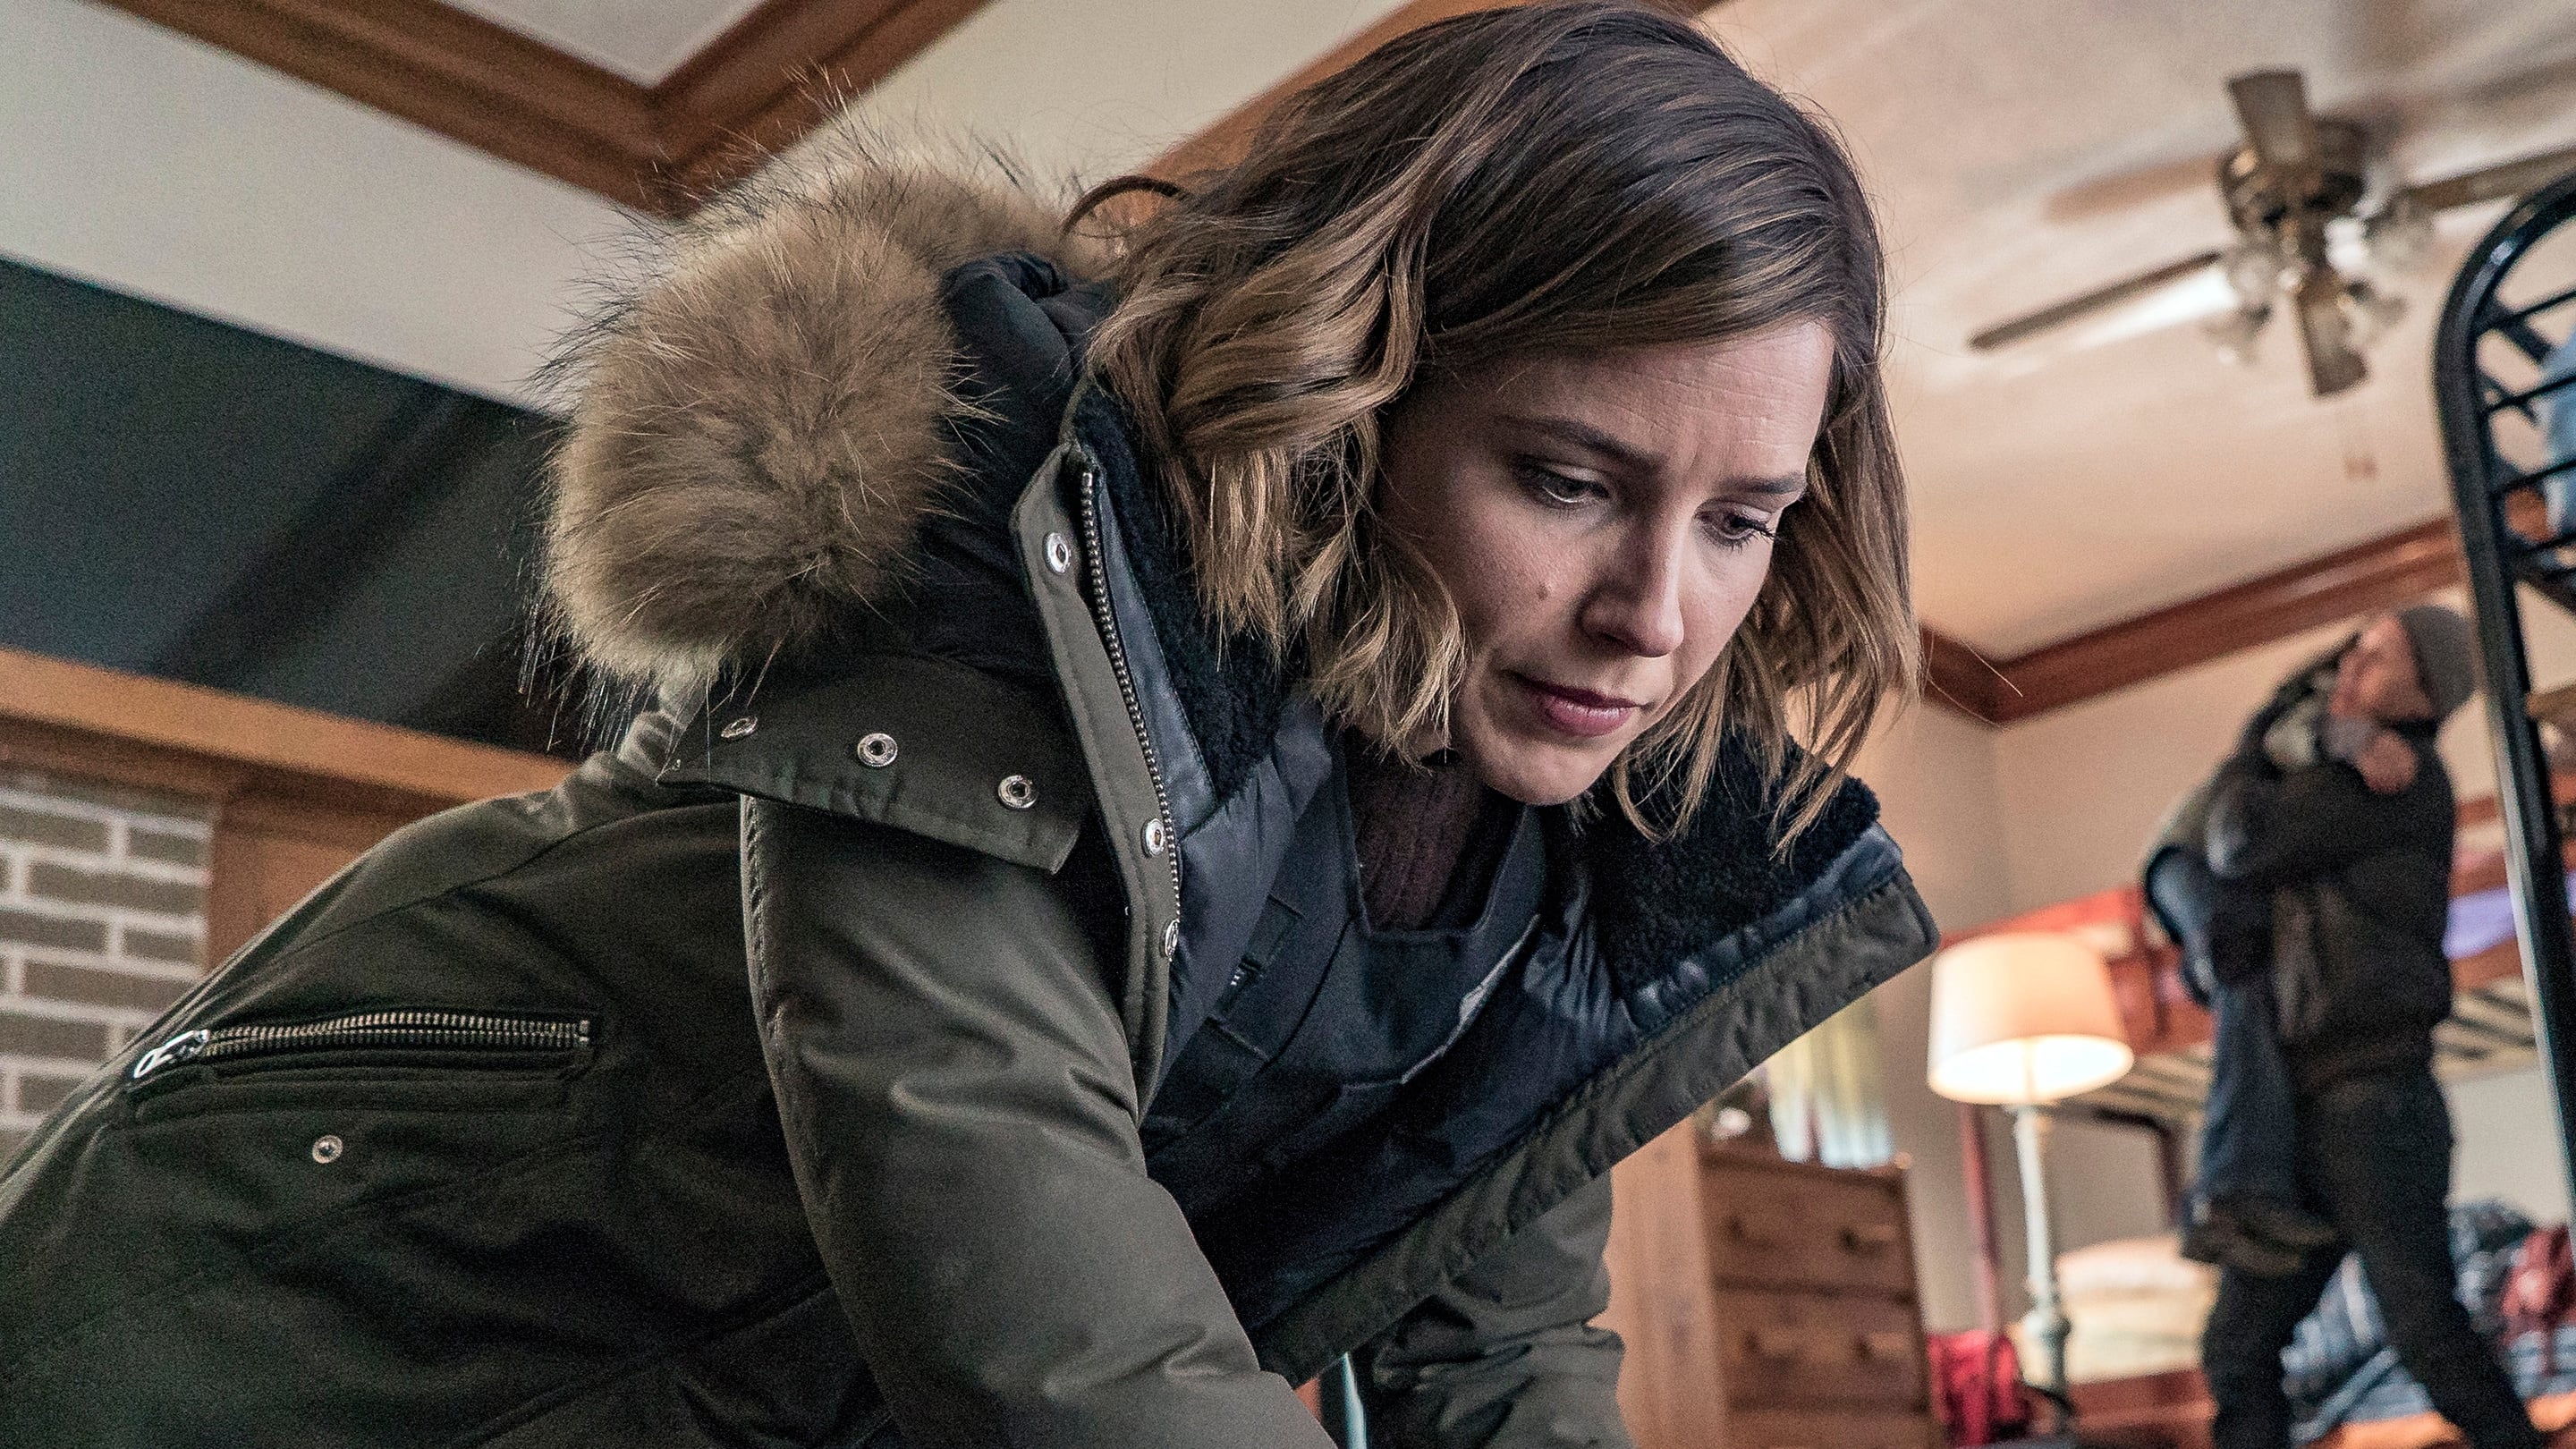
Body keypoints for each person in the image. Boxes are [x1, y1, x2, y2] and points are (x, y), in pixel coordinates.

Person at [0, 5, 1936, 1445]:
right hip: (259, 1306)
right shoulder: (992, 541)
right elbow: (1043, 1315)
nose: (1657, 615)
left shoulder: (1573, 851)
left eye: (1742, 521)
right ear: (1357, 391)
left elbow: (1498, 1354)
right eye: (1569, 480)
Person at [2153, 606, 2541, 1449]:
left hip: (2372, 1106)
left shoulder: (2398, 780)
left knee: (2426, 1333)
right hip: (2297, 1115)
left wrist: (2278, 735)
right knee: (2238, 1349)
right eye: (2356, 645)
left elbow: (2239, 840)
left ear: (2427, 693)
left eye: (2382, 654)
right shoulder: (2335, 763)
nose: (2353, 663)